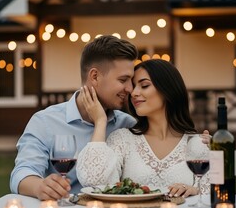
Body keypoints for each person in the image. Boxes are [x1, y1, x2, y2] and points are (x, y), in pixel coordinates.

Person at [10, 35, 139, 201]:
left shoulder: (127, 124)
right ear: (95, 77)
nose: (130, 88)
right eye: (123, 80)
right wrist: (39, 186)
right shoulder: (45, 121)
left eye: (131, 81)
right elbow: (22, 173)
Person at [77, 59, 210, 198]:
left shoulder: (198, 143)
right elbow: (94, 183)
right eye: (133, 87)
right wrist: (100, 121)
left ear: (168, 89)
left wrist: (195, 190)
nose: (133, 93)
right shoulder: (122, 140)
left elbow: (216, 194)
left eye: (144, 85)